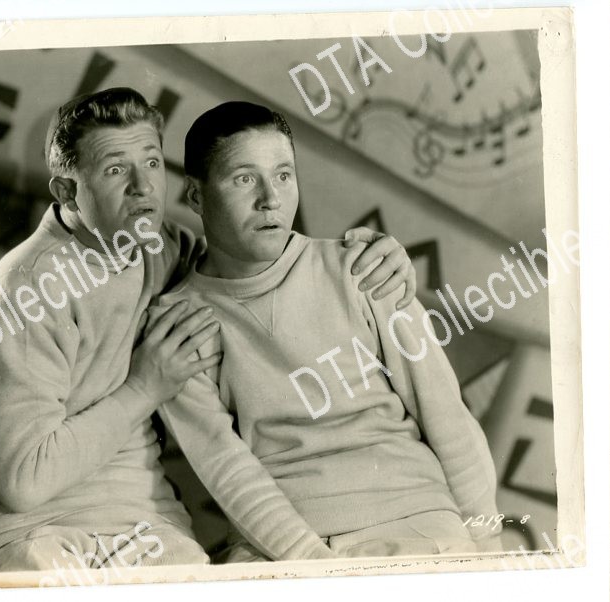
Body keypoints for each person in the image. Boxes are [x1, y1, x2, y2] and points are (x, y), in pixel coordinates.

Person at [0, 88, 418, 573]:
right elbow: (23, 483)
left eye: (152, 163)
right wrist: (144, 386)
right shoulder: (23, 293)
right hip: (29, 533)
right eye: (115, 170)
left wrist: (372, 257)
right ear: (67, 192)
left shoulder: (166, 248)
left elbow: (256, 264)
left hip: (146, 524)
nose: (143, 188)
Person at [153, 101, 501, 563]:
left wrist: (487, 545)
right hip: (283, 546)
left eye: (283, 175)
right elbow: (225, 469)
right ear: (196, 196)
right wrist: (313, 565)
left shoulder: (363, 269)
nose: (271, 199)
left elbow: (445, 413)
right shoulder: (177, 322)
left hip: (415, 521)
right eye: (244, 179)